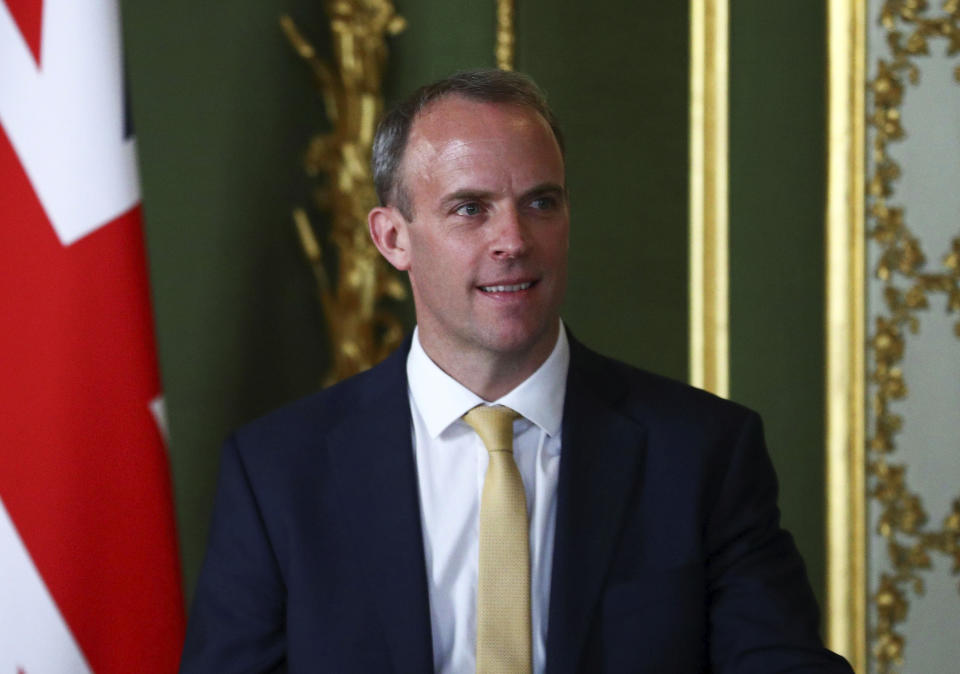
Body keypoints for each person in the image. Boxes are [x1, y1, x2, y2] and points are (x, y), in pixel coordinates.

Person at [180, 69, 852, 673]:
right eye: (471, 208)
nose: (514, 240)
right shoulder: (278, 471)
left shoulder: (703, 452)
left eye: (541, 203)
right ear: (392, 238)